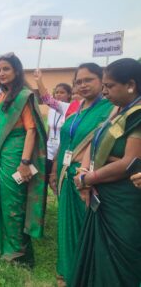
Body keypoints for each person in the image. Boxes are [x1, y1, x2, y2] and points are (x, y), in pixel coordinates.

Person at [69, 58, 141, 287]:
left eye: (110, 86)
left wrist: (87, 178)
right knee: (98, 254)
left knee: (119, 258)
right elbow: (96, 142)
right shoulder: (117, 111)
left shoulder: (136, 115)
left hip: (124, 198)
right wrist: (84, 171)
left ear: (130, 84)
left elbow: (129, 162)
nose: (105, 91)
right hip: (104, 193)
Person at [0, 53, 47, 267]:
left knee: (14, 202)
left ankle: (18, 251)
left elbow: (32, 131)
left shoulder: (23, 96)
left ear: (16, 71)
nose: (1, 73)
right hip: (2, 154)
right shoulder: (2, 97)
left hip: (17, 155)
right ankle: (2, 242)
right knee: (1, 198)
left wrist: (25, 162)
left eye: (6, 69)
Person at [53, 63, 113, 284]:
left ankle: (87, 271)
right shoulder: (75, 108)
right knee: (66, 222)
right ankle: (67, 267)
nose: (83, 85)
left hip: (88, 177)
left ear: (101, 80)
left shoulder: (110, 108)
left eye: (89, 80)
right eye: (79, 81)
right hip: (65, 174)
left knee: (86, 223)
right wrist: (53, 171)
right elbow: (64, 142)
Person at [33, 70, 73, 193]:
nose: (59, 95)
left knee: (59, 183)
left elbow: (46, 99)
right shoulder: (52, 110)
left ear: (69, 95)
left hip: (61, 151)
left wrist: (39, 81)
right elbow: (50, 129)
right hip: (49, 151)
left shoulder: (69, 108)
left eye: (62, 92)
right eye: (56, 92)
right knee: (44, 180)